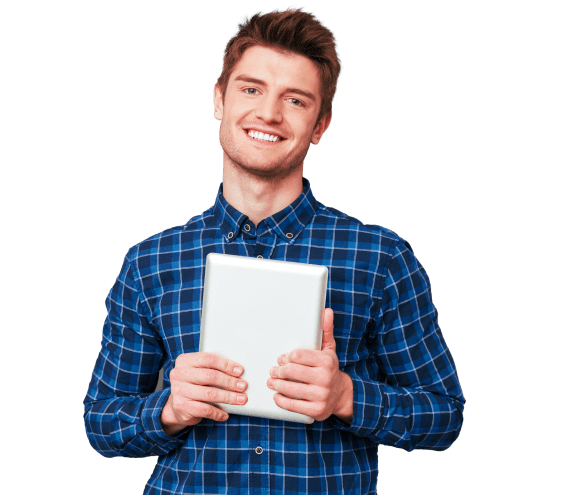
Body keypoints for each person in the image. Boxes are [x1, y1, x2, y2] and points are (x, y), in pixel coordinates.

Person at [84, 8, 465, 494]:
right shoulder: (151, 261)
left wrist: (347, 395)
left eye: (295, 99)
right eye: (250, 89)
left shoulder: (381, 257)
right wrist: (169, 409)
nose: (268, 113)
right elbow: (102, 421)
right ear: (218, 100)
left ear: (320, 124)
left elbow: (444, 415)